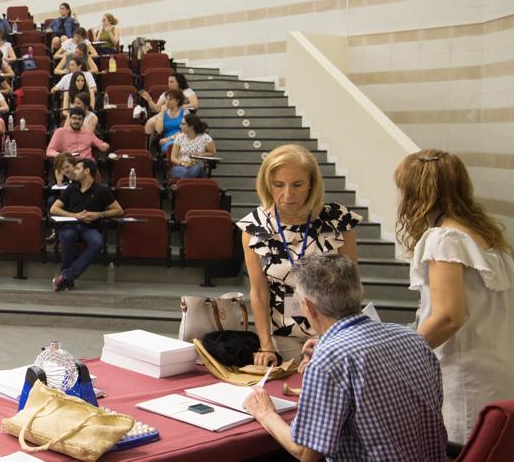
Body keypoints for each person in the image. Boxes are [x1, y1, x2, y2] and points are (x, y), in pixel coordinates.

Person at [243, 253, 447, 462]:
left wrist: (265, 412)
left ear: (308, 307)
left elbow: (305, 453)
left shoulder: (329, 361)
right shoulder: (413, 338)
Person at [394, 150, 514, 443]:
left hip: (464, 378)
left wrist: (399, 357)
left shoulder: (445, 238)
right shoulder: (484, 234)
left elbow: (448, 316)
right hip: (496, 370)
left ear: (415, 192)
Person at [238, 144, 361, 366]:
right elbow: (258, 292)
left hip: (333, 334)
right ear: (267, 184)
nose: (287, 194)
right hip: (281, 335)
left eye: (297, 184)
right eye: (278, 185)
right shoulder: (254, 226)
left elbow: (351, 289)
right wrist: (266, 346)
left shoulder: (337, 220)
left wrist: (330, 339)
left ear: (312, 184)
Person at [49, 158, 122, 291]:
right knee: (67, 236)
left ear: (87, 171)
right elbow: (54, 209)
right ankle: (66, 279)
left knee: (97, 242)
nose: (74, 171)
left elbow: (118, 210)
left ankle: (66, 276)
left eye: (77, 168)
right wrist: (74, 215)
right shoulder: (72, 188)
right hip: (70, 226)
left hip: (90, 227)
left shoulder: (101, 190)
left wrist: (98, 214)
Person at [169, 114, 215, 179]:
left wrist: (200, 154)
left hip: (196, 165)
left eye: (183, 124)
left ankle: (185, 185)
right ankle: (188, 183)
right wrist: (183, 163)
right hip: (181, 165)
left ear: (191, 126)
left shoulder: (205, 138)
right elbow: (173, 158)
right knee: (183, 171)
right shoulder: (179, 137)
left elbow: (212, 153)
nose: (180, 126)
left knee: (195, 168)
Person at [146, 89, 187, 153]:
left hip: (182, 138)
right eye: (166, 99)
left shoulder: (185, 112)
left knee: (177, 147)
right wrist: (162, 112)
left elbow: (185, 131)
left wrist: (169, 138)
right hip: (166, 141)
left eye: (170, 100)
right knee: (170, 147)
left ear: (177, 101)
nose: (167, 102)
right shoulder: (164, 113)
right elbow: (159, 130)